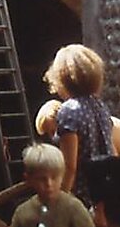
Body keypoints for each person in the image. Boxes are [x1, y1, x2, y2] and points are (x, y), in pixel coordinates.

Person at [42, 44, 114, 209]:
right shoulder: (100, 106)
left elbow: (70, 166)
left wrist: (58, 203)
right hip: (105, 191)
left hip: (83, 196)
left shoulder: (70, 110)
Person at [4, 143, 104, 227]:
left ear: (62, 175)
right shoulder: (22, 212)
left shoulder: (73, 207)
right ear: (29, 179)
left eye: (54, 177)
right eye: (42, 179)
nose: (49, 184)